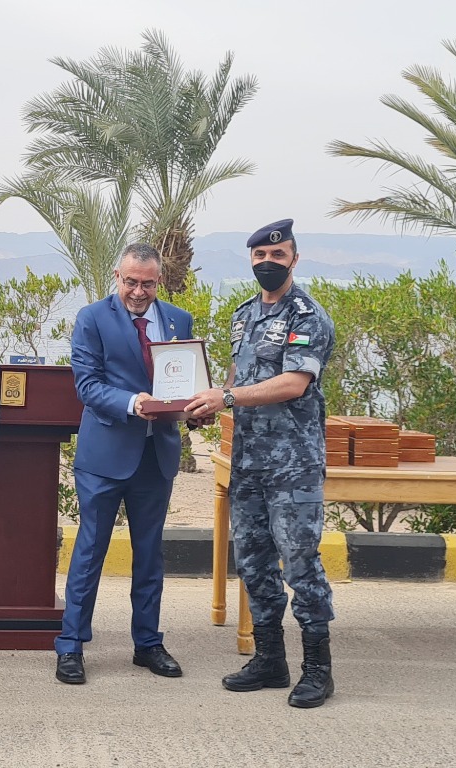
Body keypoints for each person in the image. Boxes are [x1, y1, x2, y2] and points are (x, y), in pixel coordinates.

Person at [184, 218, 337, 708]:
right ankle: (270, 659)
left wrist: (227, 397)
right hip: (248, 460)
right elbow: (239, 373)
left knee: (300, 562)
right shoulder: (244, 314)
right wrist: (210, 404)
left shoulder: (307, 315)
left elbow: (294, 383)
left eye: (278, 255)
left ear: (294, 259)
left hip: (293, 464)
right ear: (251, 259)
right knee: (253, 562)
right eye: (260, 256)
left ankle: (318, 670)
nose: (268, 262)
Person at [53, 243, 197, 685]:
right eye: (131, 282)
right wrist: (135, 403)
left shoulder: (179, 321)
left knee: (150, 555)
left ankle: (148, 643)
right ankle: (71, 646)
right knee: (90, 551)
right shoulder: (92, 318)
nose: (138, 291)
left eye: (147, 284)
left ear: (159, 281)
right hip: (105, 456)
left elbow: (186, 382)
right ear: (117, 276)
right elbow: (87, 386)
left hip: (157, 455)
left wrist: (196, 407)